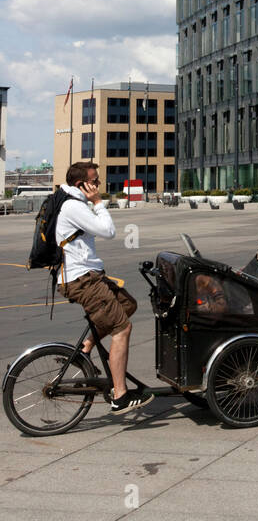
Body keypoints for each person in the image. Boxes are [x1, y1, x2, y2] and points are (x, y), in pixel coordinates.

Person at [56, 161, 153, 414]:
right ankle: (120, 396)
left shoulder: (70, 201)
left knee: (128, 304)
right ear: (82, 184)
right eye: (95, 181)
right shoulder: (73, 206)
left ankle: (85, 349)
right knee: (122, 328)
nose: (98, 184)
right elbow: (108, 231)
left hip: (88, 276)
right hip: (82, 280)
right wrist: (98, 201)